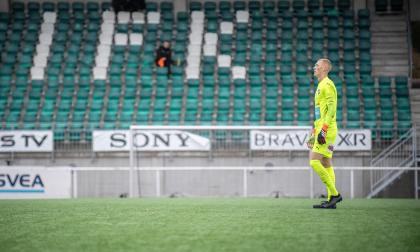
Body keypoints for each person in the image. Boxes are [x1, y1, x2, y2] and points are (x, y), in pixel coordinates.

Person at [307, 58, 342, 209]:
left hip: (326, 130)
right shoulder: (321, 85)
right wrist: (313, 133)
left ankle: (334, 194)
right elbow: (319, 114)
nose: (315, 67)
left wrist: (324, 129)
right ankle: (331, 200)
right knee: (326, 162)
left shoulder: (327, 84)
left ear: (325, 69)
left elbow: (332, 109)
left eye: (317, 66)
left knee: (314, 161)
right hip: (323, 129)